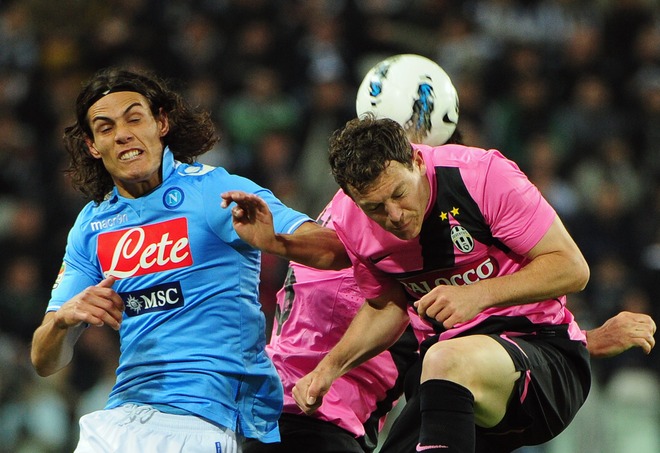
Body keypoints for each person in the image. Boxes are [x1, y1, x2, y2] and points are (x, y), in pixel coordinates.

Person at [235, 55, 656, 452]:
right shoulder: (357, 220)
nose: (394, 215)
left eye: (398, 193)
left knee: (444, 360)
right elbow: (382, 299)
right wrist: (325, 369)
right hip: (317, 405)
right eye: (377, 206)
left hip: (362, 401)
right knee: (441, 365)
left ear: (416, 157)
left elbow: (565, 268)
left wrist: (578, 340)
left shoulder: (479, 176)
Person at [29, 67, 347, 453]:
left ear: (160, 122)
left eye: (134, 118)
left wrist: (276, 241)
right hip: (117, 419)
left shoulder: (214, 190)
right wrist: (64, 320)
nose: (123, 134)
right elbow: (44, 359)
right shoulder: (91, 225)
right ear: (93, 145)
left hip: (202, 417)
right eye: (106, 127)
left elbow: (334, 249)